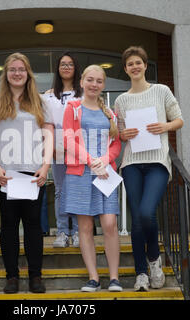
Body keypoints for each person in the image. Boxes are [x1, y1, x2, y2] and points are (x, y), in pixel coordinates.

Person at [0, 53, 54, 294]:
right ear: (6, 73)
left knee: (33, 225)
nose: (17, 73)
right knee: (9, 224)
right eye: (12, 69)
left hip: (34, 173)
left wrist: (45, 166)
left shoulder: (41, 101)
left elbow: (49, 136)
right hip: (5, 173)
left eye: (21, 69)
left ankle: (35, 277)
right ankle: (11, 276)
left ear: (28, 73)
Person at [115, 46, 184, 291]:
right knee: (137, 221)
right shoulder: (121, 100)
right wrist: (123, 134)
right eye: (130, 64)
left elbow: (179, 119)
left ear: (145, 65)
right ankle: (141, 273)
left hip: (157, 162)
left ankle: (154, 260)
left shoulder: (161, 90)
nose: (135, 67)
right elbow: (121, 133)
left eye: (138, 63)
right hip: (132, 163)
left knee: (146, 213)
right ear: (125, 69)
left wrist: (164, 127)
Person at [61, 65, 122, 292]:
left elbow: (116, 143)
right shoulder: (73, 108)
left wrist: (104, 159)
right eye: (90, 80)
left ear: (103, 85)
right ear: (82, 82)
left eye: (98, 81)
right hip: (80, 173)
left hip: (105, 172)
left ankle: (114, 277)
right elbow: (68, 139)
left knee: (109, 224)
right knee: (85, 227)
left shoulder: (110, 113)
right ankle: (94, 278)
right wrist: (90, 160)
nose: (94, 84)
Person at [45, 52, 82, 248]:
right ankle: (62, 232)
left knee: (76, 188)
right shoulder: (49, 95)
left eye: (70, 64)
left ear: (75, 68)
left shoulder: (82, 93)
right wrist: (50, 146)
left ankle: (77, 232)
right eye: (62, 64)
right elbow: (45, 123)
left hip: (78, 146)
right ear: (58, 69)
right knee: (60, 190)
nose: (66, 67)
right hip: (57, 146)